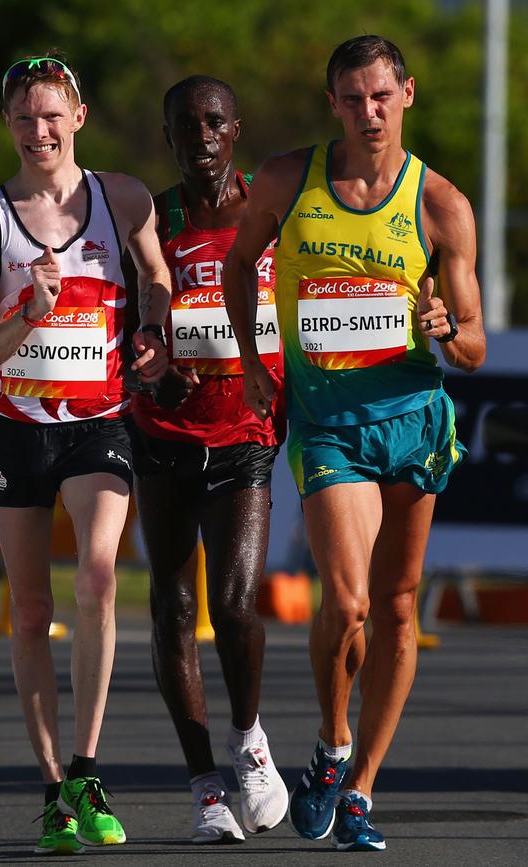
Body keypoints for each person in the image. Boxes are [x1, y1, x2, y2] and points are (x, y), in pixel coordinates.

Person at [223, 35, 485, 852]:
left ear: (407, 93)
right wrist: (254, 360)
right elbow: (239, 267)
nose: (369, 113)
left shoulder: (439, 202)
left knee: (400, 605)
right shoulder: (286, 180)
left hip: (413, 418)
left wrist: (447, 327)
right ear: (332, 102)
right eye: (352, 98)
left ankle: (364, 785)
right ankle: (332, 745)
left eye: (382, 96)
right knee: (349, 599)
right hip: (330, 421)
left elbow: (474, 342)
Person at [0, 53, 170, 855]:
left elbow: (155, 278)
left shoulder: (122, 198)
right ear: (8, 126)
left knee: (98, 576)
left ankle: (88, 766)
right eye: (23, 117)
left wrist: (152, 332)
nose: (38, 130)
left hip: (100, 420)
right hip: (16, 426)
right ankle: (53, 786)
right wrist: (29, 313)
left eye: (52, 115)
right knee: (30, 611)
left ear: (77, 117)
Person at [129, 75, 288, 844]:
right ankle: (203, 785)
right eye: (186, 124)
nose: (202, 135)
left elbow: (310, 303)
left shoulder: (271, 214)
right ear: (168, 136)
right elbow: (125, 330)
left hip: (243, 437)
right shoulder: (149, 222)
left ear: (236, 129)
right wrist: (154, 357)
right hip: (161, 434)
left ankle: (249, 736)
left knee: (233, 604)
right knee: (173, 605)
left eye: (215, 120)